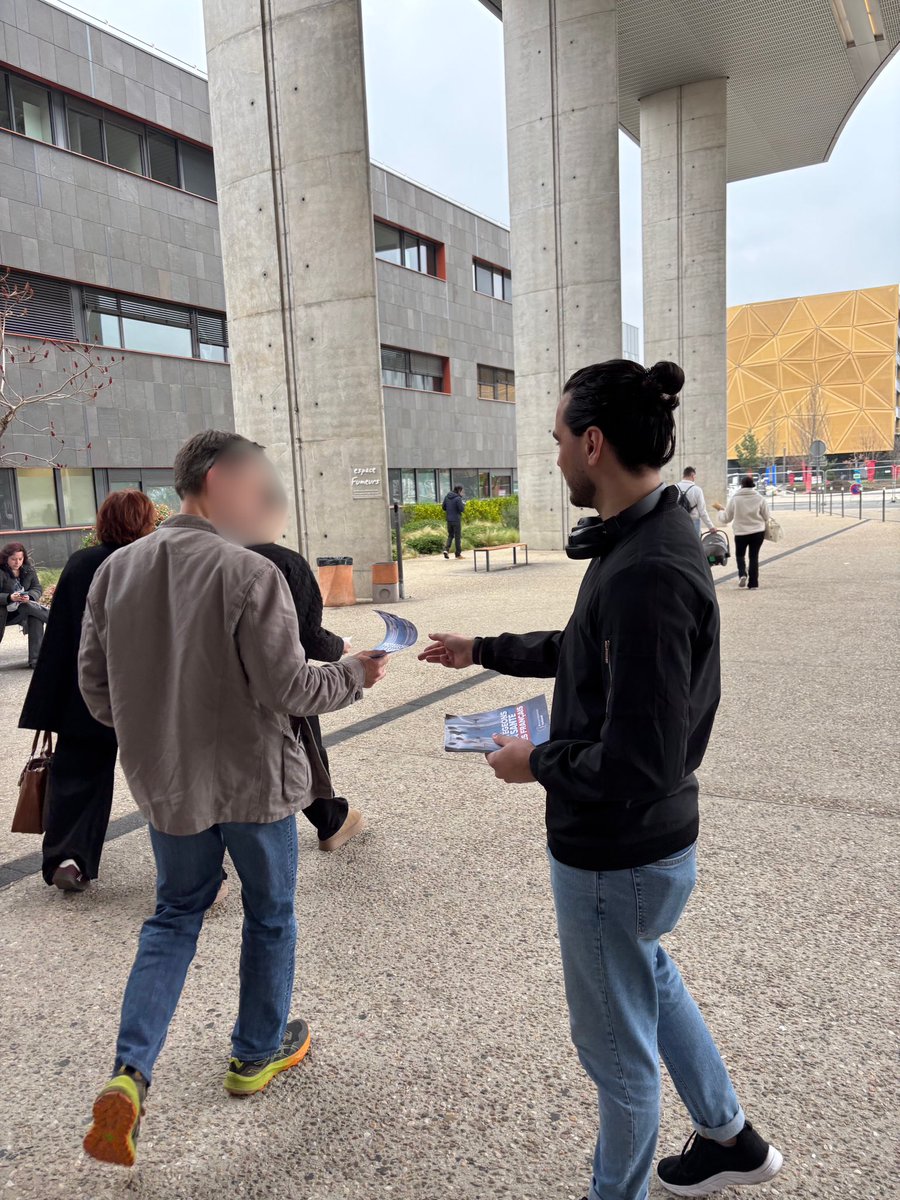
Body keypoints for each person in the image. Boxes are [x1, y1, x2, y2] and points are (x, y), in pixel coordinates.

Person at [420, 359, 782, 1200]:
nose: (553, 460)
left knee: (617, 1062)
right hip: (643, 847)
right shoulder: (641, 542)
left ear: (593, 443)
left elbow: (640, 760)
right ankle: (729, 1136)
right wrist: (484, 649)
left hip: (613, 856)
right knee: (647, 974)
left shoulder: (648, 569)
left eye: (556, 441)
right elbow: (585, 645)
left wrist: (532, 764)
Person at [78, 430, 387, 1168]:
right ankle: (255, 1052)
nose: (267, 496)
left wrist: (157, 728)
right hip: (255, 785)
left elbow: (95, 690)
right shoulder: (248, 572)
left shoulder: (114, 573)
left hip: (169, 785)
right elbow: (289, 688)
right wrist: (355, 673)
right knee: (270, 913)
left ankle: (131, 1071)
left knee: (174, 915)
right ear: (218, 480)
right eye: (259, 481)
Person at [19, 491, 157, 892]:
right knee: (167, 778)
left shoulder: (81, 563)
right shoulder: (148, 563)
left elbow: (59, 635)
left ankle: (68, 858)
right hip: (143, 693)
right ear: (144, 522)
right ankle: (194, 865)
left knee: (78, 775)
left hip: (83, 691)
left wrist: (52, 700)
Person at [249, 495, 366, 852]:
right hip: (283, 682)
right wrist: (342, 652)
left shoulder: (206, 559)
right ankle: (330, 820)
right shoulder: (284, 563)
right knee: (303, 750)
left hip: (215, 688)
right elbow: (306, 636)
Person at [0, 542, 49, 667]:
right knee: (30, 608)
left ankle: (35, 661)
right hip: (4, 613)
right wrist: (9, 597)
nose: (17, 562)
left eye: (20, 559)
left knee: (34, 615)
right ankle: (58, 619)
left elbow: (37, 587)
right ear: (6, 558)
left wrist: (30, 596)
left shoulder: (28, 569)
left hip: (22, 608)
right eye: (13, 559)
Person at [718, 475, 769, 589]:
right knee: (754, 557)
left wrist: (721, 511)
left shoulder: (735, 498)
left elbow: (726, 518)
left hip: (741, 532)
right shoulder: (759, 498)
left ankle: (742, 574)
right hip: (757, 532)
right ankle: (753, 583)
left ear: (741, 485)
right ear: (753, 485)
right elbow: (767, 516)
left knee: (740, 555)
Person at [676, 466, 715, 536]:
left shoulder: (674, 488)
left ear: (684, 475)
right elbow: (702, 511)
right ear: (693, 476)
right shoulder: (697, 490)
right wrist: (711, 527)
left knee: (680, 545)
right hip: (693, 522)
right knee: (695, 546)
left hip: (678, 522)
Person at [441, 484, 466, 559]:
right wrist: (463, 504)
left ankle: (446, 550)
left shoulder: (447, 497)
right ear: (459, 490)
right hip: (456, 520)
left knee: (450, 535)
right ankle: (458, 554)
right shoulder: (458, 498)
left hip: (449, 520)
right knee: (457, 537)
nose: (462, 493)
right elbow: (461, 509)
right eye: (462, 491)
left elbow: (443, 507)